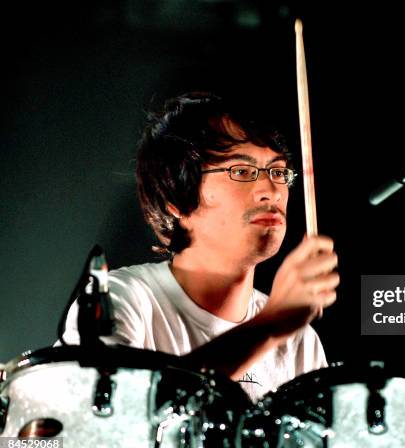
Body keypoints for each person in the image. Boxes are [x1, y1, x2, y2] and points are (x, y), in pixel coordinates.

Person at [59, 92, 339, 401]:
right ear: (176, 199)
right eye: (241, 171)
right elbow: (112, 419)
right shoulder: (122, 299)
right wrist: (269, 326)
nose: (270, 190)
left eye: (277, 171)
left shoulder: (300, 342)